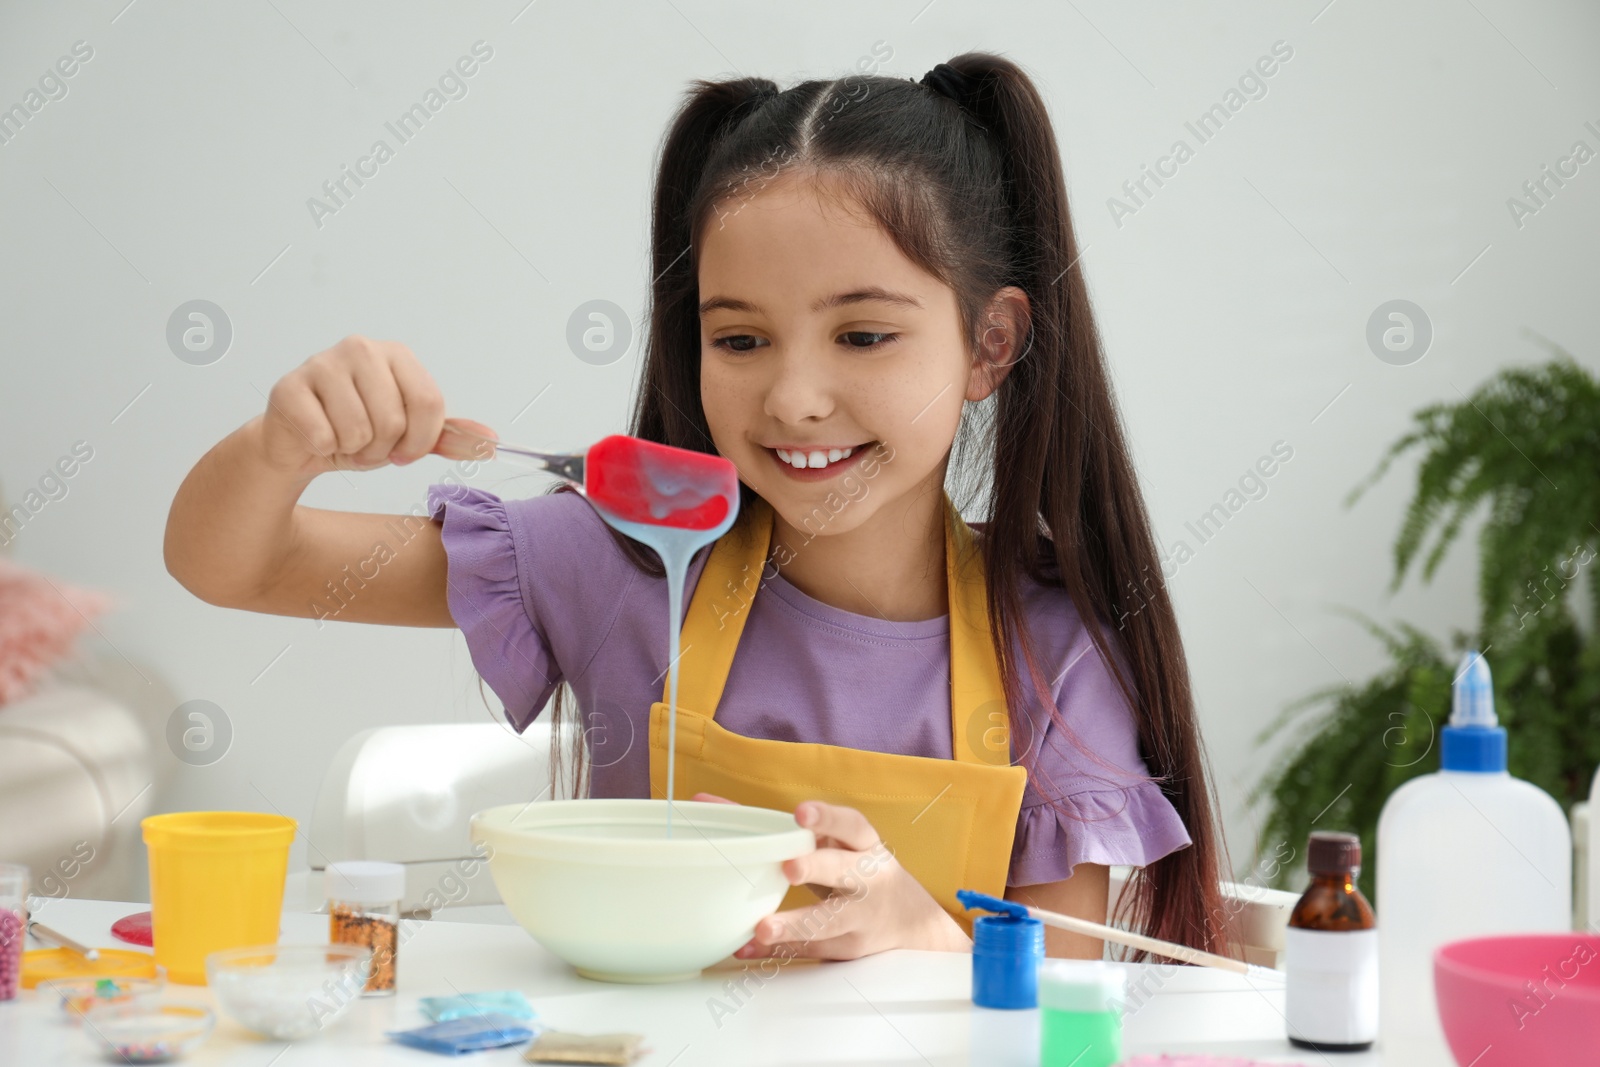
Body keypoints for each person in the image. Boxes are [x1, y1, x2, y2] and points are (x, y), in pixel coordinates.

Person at [165, 52, 1229, 965]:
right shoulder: (614, 564)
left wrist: (925, 925)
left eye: (862, 335)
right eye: (739, 338)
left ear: (988, 345)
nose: (793, 396)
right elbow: (235, 566)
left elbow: (1064, 1011)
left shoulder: (1054, 649)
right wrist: (283, 444)